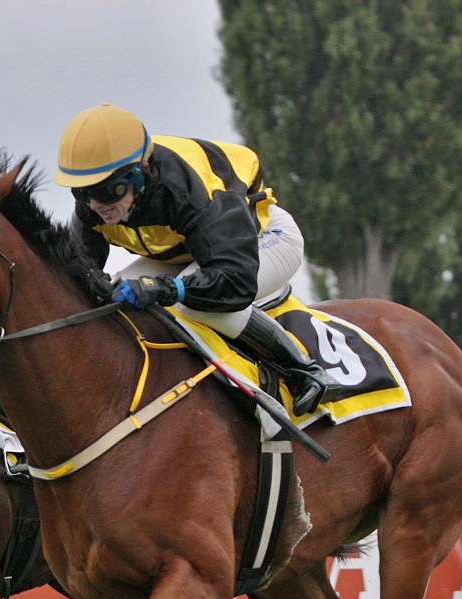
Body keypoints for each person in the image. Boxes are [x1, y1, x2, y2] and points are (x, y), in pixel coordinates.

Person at [56, 104, 337, 414]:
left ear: (141, 171)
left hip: (261, 240)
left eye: (109, 191)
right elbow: (79, 276)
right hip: (188, 249)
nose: (95, 205)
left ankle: (302, 368)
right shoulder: (92, 204)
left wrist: (166, 289)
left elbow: (235, 281)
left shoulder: (190, 192)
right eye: (82, 192)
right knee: (117, 296)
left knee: (188, 304)